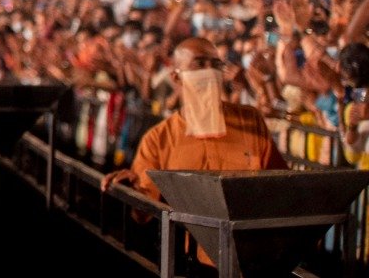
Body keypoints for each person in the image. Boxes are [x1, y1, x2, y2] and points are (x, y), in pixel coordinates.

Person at [101, 35, 289, 268]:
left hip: (251, 256)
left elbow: (281, 185)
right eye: (199, 64)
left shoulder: (250, 121)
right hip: (192, 262)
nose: (210, 72)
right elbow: (143, 211)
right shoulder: (159, 138)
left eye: (216, 64)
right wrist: (128, 188)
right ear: (176, 77)